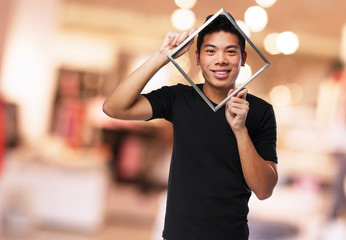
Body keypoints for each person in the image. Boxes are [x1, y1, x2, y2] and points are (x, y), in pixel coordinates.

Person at [103, 13, 278, 240]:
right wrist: (161, 57)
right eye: (211, 51)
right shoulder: (178, 98)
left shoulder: (261, 111)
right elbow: (114, 107)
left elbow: (264, 190)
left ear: (243, 58)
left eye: (230, 51)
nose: (221, 59)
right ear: (198, 57)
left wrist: (240, 130)